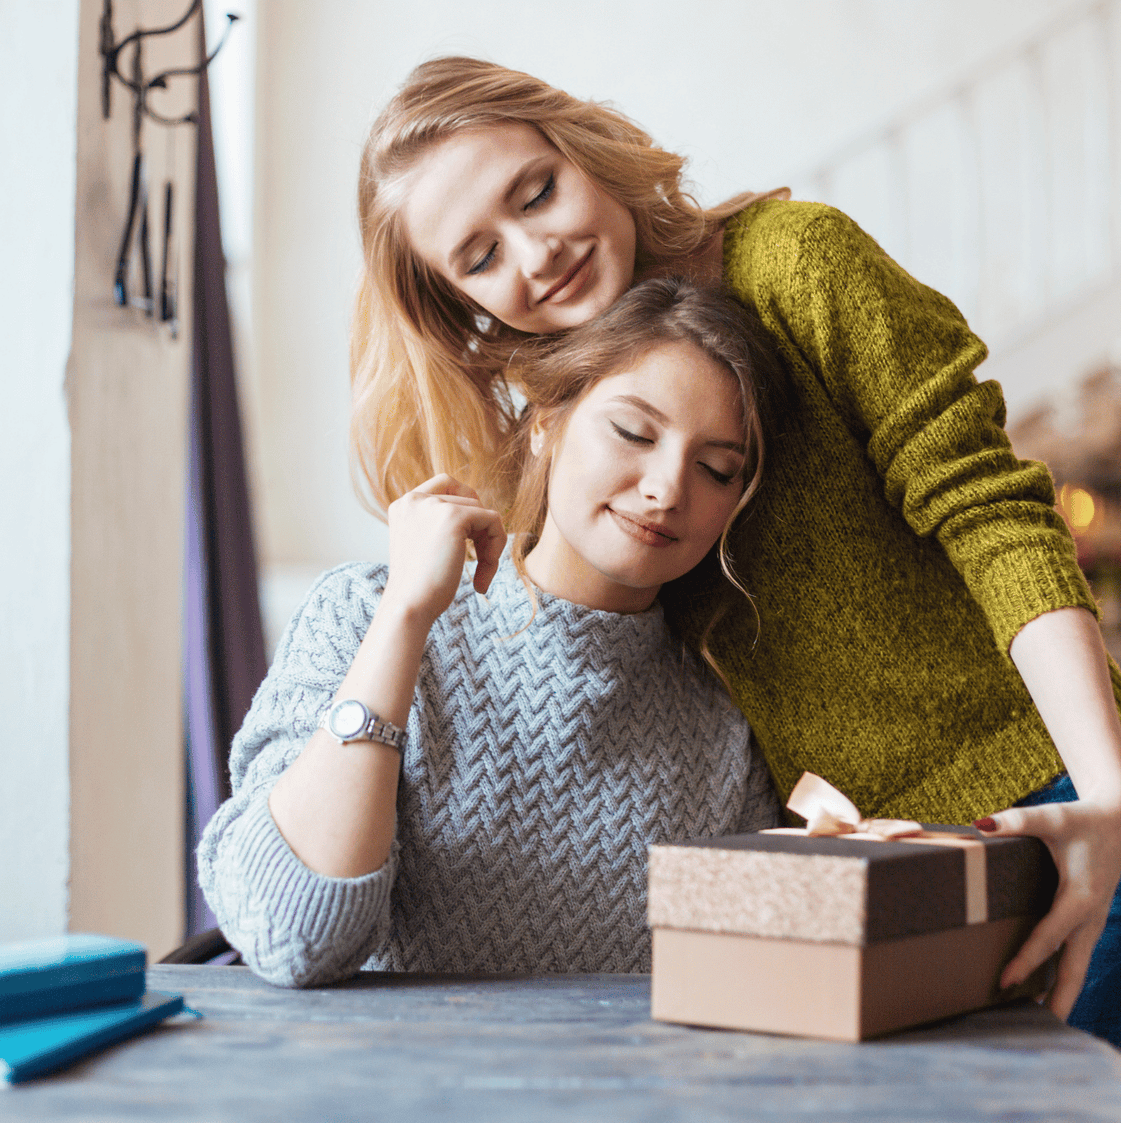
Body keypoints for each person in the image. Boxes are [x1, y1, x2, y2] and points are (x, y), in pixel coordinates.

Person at [346, 56, 1121, 1076]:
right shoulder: (574, 413)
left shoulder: (795, 262)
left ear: (584, 150)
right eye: (481, 257)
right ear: (463, 308)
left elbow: (989, 508)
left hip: (1038, 806)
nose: (538, 251)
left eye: (536, 192)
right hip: (851, 858)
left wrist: (1106, 791)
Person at [198, 279, 783, 988]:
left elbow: (748, 987)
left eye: (717, 468)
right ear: (546, 421)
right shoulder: (364, 615)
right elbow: (292, 936)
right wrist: (406, 615)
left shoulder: (723, 721)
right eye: (634, 432)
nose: (667, 489)